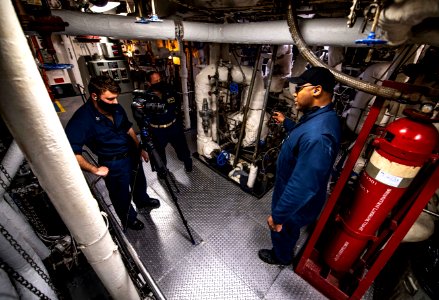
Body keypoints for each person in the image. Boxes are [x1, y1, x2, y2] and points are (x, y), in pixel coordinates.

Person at [258, 67, 341, 265]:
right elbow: (303, 137)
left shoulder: (319, 136)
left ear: (316, 90)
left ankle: (281, 256)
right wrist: (287, 123)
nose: (294, 93)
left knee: (284, 229)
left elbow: (303, 184)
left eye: (299, 88)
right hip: (292, 190)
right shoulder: (322, 117)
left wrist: (279, 215)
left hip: (293, 197)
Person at [65, 76, 160, 231]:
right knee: (120, 195)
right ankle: (129, 218)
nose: (116, 102)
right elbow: (71, 153)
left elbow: (128, 128)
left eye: (116, 98)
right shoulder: (82, 119)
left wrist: (139, 148)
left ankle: (142, 200)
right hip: (113, 163)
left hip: (131, 154)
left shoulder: (115, 107)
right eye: (110, 99)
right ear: (95, 96)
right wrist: (94, 170)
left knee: (139, 181)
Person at [144, 71, 193, 173]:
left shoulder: (169, 89)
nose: (159, 82)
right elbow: (143, 117)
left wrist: (178, 122)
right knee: (158, 154)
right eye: (155, 81)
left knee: (182, 149)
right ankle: (162, 171)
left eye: (159, 80)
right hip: (157, 130)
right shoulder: (145, 97)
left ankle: (188, 164)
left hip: (173, 126)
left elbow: (177, 106)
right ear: (149, 83)